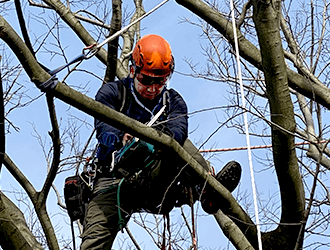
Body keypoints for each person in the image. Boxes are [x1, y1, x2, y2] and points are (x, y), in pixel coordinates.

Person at [80, 34, 241, 249]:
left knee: (181, 146)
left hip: (156, 178)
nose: (153, 87)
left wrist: (158, 142)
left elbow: (178, 132)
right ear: (132, 71)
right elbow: (103, 125)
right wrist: (121, 138)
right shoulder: (113, 93)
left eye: (160, 81)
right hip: (114, 179)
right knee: (94, 242)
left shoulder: (172, 101)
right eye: (146, 80)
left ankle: (206, 190)